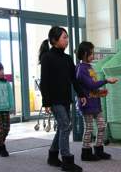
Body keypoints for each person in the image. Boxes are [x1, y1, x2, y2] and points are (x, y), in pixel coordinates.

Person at [39, 26, 86, 172]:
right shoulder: (47, 57)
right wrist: (46, 102)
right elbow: (44, 82)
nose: (66, 40)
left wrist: (81, 94)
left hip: (65, 99)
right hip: (54, 100)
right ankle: (66, 159)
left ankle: (53, 156)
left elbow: (74, 79)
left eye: (67, 37)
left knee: (62, 127)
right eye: (63, 37)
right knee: (65, 126)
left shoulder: (67, 58)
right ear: (54, 40)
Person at [75, 41, 117, 161]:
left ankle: (99, 149)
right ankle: (86, 152)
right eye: (91, 53)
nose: (93, 56)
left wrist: (99, 93)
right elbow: (91, 84)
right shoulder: (81, 69)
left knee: (101, 126)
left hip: (95, 103)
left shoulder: (89, 68)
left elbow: (91, 87)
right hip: (87, 104)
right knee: (89, 128)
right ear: (84, 53)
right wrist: (106, 80)